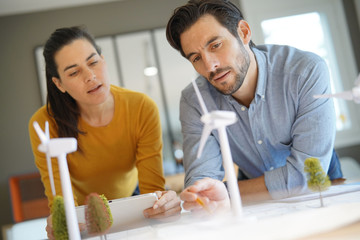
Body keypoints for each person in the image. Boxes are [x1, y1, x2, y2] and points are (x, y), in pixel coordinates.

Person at [165, 0, 343, 209]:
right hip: (252, 192)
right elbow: (201, 185)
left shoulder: (305, 72)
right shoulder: (194, 101)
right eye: (196, 58)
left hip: (320, 183)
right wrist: (201, 194)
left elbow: (304, 176)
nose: (210, 65)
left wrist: (225, 195)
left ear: (243, 32)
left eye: (215, 45)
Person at [28, 26, 181, 239]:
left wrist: (164, 205)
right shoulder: (44, 124)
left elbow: (152, 193)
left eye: (93, 62)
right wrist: (61, 220)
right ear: (59, 84)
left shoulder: (142, 107)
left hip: (132, 200)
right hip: (82, 214)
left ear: (103, 60)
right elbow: (60, 198)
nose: (90, 76)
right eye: (74, 72)